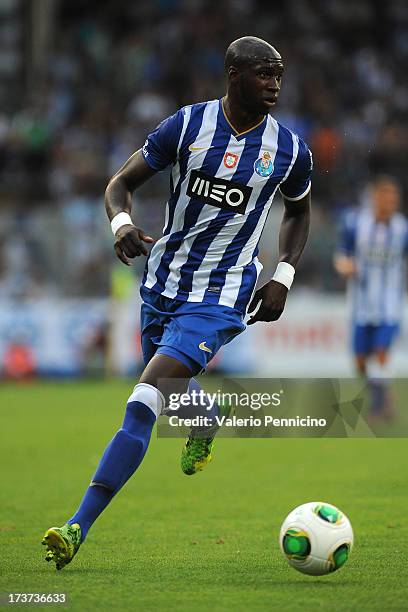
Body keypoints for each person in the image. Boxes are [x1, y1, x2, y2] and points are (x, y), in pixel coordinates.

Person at [42, 36, 312, 570]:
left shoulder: (289, 149)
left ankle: (77, 526)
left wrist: (282, 273)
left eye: (280, 75)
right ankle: (206, 415)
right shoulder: (186, 127)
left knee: (144, 397)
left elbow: (299, 211)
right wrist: (120, 223)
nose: (276, 85)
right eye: (265, 74)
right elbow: (120, 184)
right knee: (170, 390)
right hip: (163, 283)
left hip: (223, 294)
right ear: (234, 75)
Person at [334, 175, 408, 420]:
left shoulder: (402, 228)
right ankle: (384, 396)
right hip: (361, 305)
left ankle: (379, 408)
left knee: (381, 352)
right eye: (386, 196)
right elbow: (342, 253)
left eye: (394, 197)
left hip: (389, 306)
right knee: (360, 362)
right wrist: (344, 265)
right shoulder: (356, 223)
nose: (391, 202)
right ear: (375, 197)